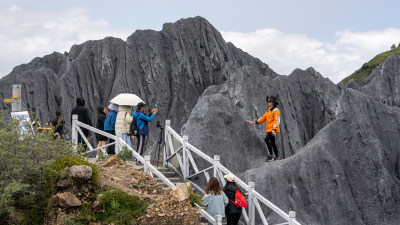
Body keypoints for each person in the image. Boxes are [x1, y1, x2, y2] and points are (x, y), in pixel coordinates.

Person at [247, 95, 281, 161]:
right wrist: (253, 122)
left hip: (272, 129)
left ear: (273, 102)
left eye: (269, 101)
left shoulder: (276, 110)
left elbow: (277, 121)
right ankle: (276, 157)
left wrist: (274, 129)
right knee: (273, 143)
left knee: (266, 140)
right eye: (267, 101)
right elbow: (262, 119)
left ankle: (271, 156)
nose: (268, 102)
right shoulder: (268, 111)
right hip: (269, 129)